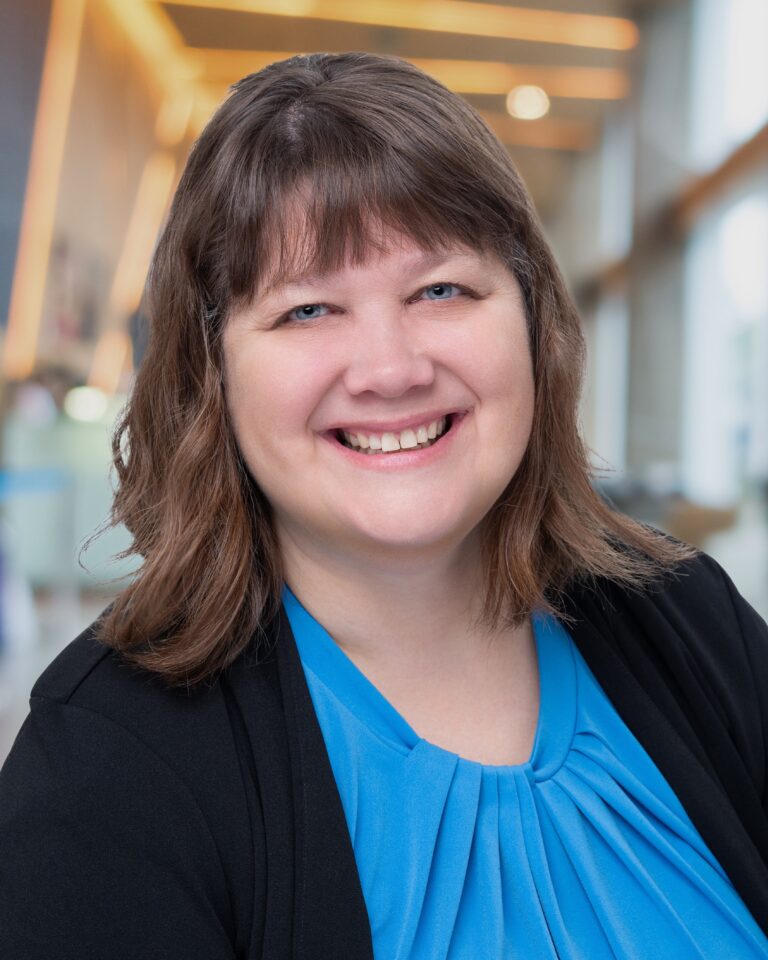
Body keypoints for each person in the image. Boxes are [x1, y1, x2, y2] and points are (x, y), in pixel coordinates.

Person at [1, 52, 767, 960]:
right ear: (212, 375)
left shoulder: (683, 614)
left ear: (531, 323)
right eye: (309, 310)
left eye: (441, 289)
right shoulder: (105, 762)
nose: (393, 369)